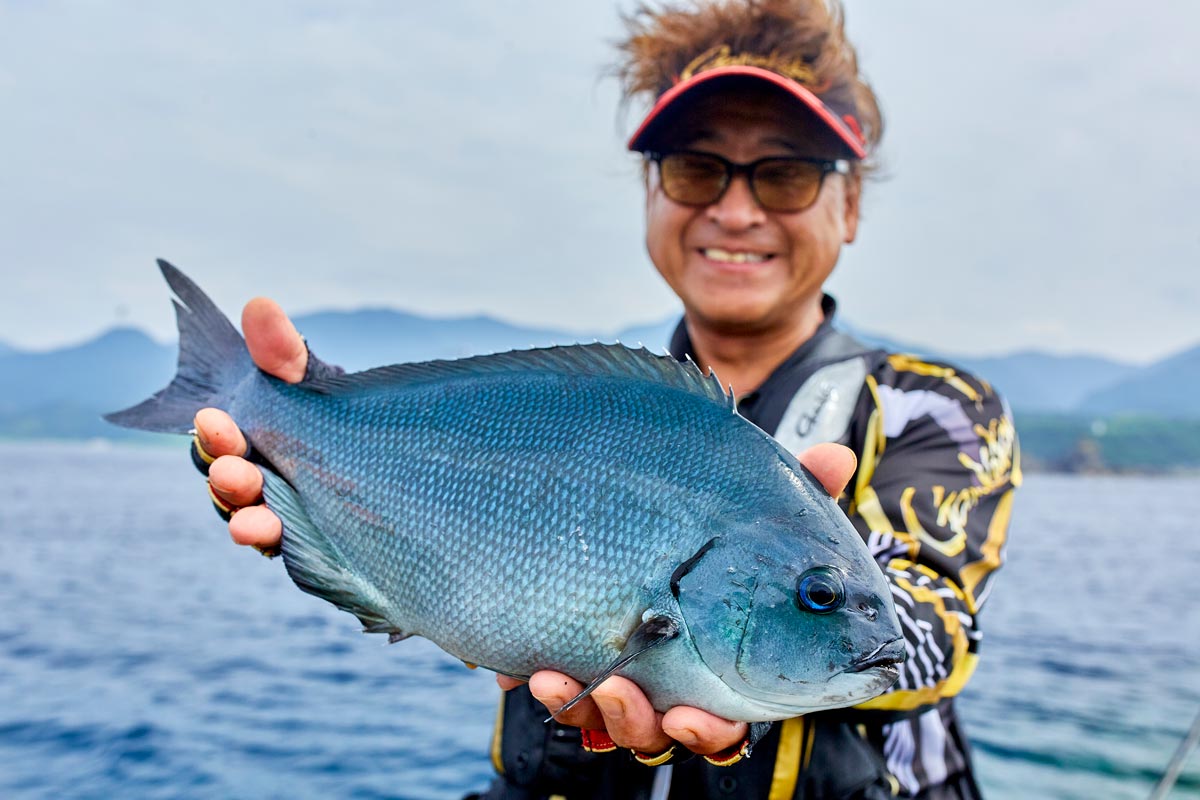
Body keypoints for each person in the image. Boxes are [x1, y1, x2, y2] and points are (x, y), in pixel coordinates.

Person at [190, 0, 1021, 797]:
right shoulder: (581, 402)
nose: (736, 211)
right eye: (696, 169)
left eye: (786, 175)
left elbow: (930, 635)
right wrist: (296, 449)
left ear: (852, 204)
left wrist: (799, 615)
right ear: (652, 191)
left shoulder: (936, 410)